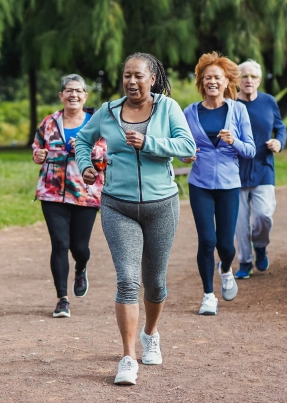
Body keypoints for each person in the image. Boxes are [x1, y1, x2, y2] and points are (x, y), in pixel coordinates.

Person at [75, 53, 196, 386]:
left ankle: (150, 333)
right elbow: (83, 140)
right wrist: (85, 166)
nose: (131, 81)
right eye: (127, 75)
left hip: (162, 205)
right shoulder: (109, 111)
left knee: (155, 282)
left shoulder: (168, 108)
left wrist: (149, 143)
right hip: (118, 205)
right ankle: (128, 357)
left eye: (138, 76)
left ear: (152, 78)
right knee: (127, 280)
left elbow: (188, 147)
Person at [181, 52, 255, 316]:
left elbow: (251, 150)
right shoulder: (189, 112)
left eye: (217, 77)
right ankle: (208, 295)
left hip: (228, 184)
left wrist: (233, 141)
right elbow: (182, 147)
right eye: (207, 77)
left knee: (226, 245)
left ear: (226, 82)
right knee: (206, 240)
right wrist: (185, 156)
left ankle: (225, 268)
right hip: (199, 183)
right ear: (202, 81)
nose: (212, 81)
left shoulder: (238, 110)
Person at [32, 74, 108, 319]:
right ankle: (62, 299)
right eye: (68, 90)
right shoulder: (49, 122)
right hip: (51, 192)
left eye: (78, 91)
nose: (73, 95)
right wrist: (38, 155)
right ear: (61, 95)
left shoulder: (96, 123)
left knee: (79, 247)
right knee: (59, 244)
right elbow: (37, 146)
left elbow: (106, 156)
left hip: (85, 192)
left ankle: (82, 266)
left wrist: (86, 148)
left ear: (85, 96)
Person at [234, 60, 286, 279]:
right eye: (244, 76)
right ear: (237, 80)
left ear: (259, 80)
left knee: (264, 216)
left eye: (253, 77)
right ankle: (245, 262)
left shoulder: (268, 101)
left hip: (263, 167)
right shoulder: (229, 103)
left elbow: (280, 127)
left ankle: (261, 246)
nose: (248, 80)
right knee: (240, 222)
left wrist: (278, 142)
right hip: (235, 170)